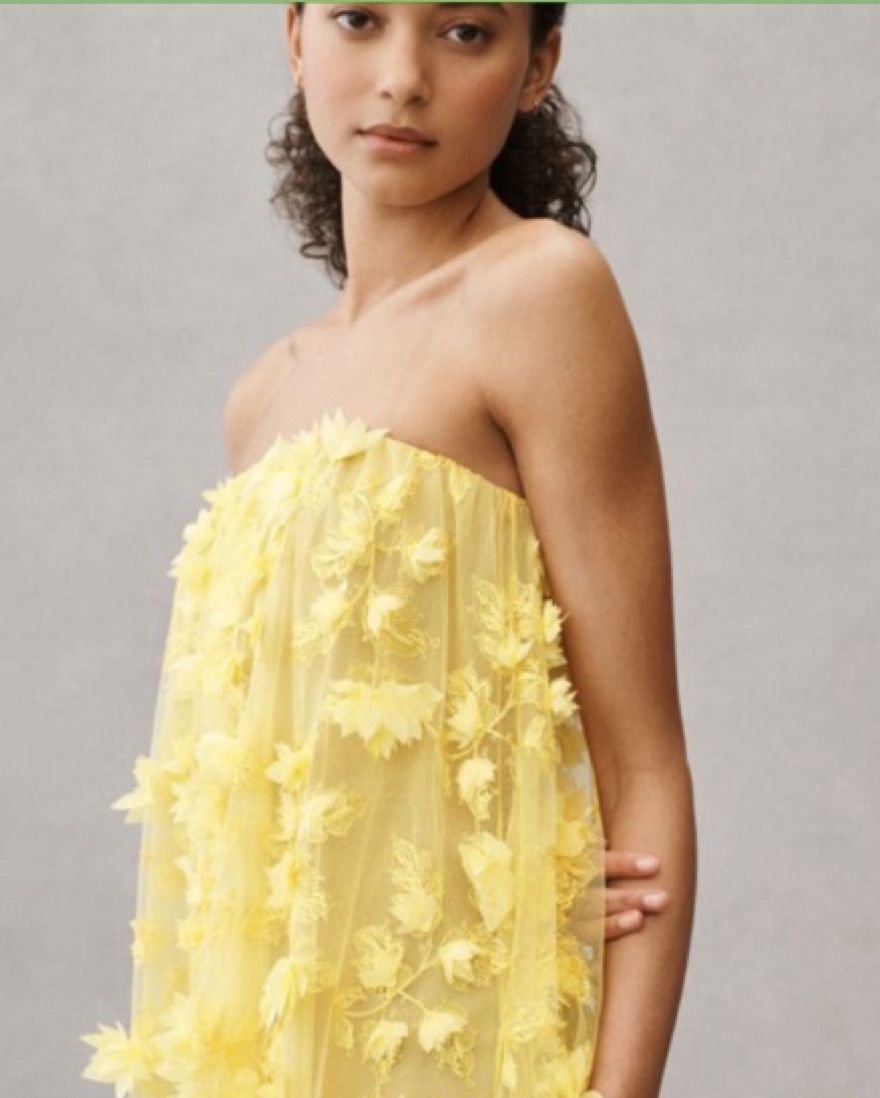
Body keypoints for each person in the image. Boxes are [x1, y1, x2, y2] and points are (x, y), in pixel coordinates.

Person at [80, 5, 695, 1097]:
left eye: (464, 32)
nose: (403, 76)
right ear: (296, 37)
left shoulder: (542, 292)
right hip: (262, 1047)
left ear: (537, 65)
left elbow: (642, 764)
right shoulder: (262, 396)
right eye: (360, 18)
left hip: (458, 1044)